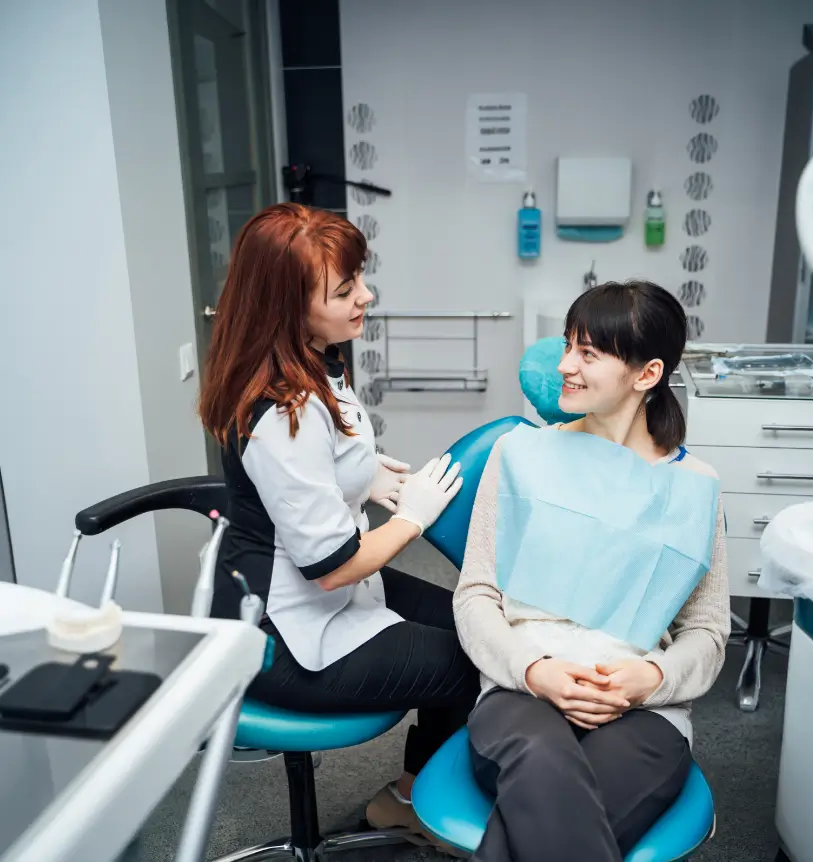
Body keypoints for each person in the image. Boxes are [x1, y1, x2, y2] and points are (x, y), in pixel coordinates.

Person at [198, 203, 479, 847]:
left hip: (312, 591)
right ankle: (415, 802)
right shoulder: (280, 410)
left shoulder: (309, 357)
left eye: (359, 280)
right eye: (345, 289)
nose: (365, 297)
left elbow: (319, 459)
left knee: (475, 618)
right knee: (475, 661)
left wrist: (363, 472)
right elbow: (332, 570)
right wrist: (411, 518)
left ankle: (409, 794)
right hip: (284, 634)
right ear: (287, 305)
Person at [453, 281, 730, 862]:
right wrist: (533, 670)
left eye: (588, 353)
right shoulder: (520, 454)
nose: (564, 367)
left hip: (641, 705)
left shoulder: (694, 487)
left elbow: (707, 632)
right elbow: (475, 593)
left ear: (646, 374)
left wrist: (651, 679)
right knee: (542, 764)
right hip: (521, 689)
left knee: (543, 822)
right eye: (568, 347)